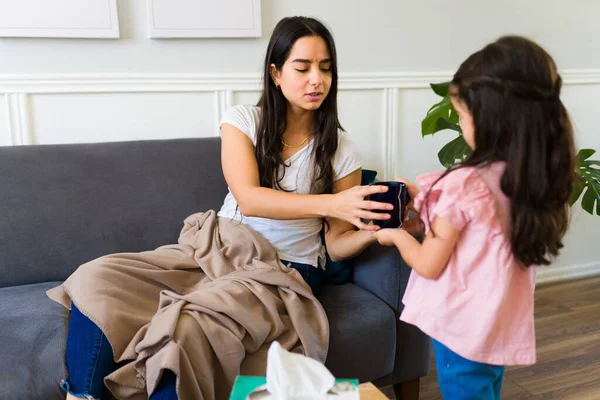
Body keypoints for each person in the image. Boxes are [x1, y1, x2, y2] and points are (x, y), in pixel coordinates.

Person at [59, 16, 390, 400]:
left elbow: (333, 245)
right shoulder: (242, 120)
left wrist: (370, 229)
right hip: (214, 247)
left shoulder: (341, 150)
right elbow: (248, 197)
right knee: (98, 276)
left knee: (191, 325)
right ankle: (82, 397)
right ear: (276, 73)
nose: (316, 79)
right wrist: (334, 202)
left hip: (281, 269)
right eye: (302, 68)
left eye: (326, 68)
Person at [372, 36, 575, 400]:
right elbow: (478, 229)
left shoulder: (465, 184)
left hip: (460, 328)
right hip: (495, 323)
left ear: (491, 118)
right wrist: (426, 201)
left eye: (463, 115)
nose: (463, 124)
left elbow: (430, 264)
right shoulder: (528, 178)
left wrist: (396, 238)